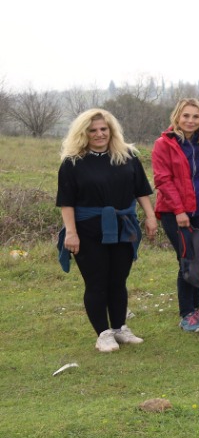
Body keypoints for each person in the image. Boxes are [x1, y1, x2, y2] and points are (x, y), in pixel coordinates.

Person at [56, 109, 158, 353]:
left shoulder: (127, 156)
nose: (99, 134)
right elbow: (66, 202)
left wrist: (150, 216)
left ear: (111, 130)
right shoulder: (72, 162)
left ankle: (120, 328)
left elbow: (141, 190)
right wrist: (71, 232)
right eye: (93, 130)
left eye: (103, 129)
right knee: (96, 281)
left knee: (118, 280)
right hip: (88, 230)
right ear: (83, 133)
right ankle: (103, 334)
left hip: (124, 227)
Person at [151, 97, 199, 332]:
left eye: (196, 117)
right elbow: (163, 180)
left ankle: (196, 310)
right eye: (186, 115)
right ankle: (187, 313)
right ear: (177, 116)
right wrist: (179, 210)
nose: (190, 120)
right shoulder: (164, 144)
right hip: (175, 212)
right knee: (186, 260)